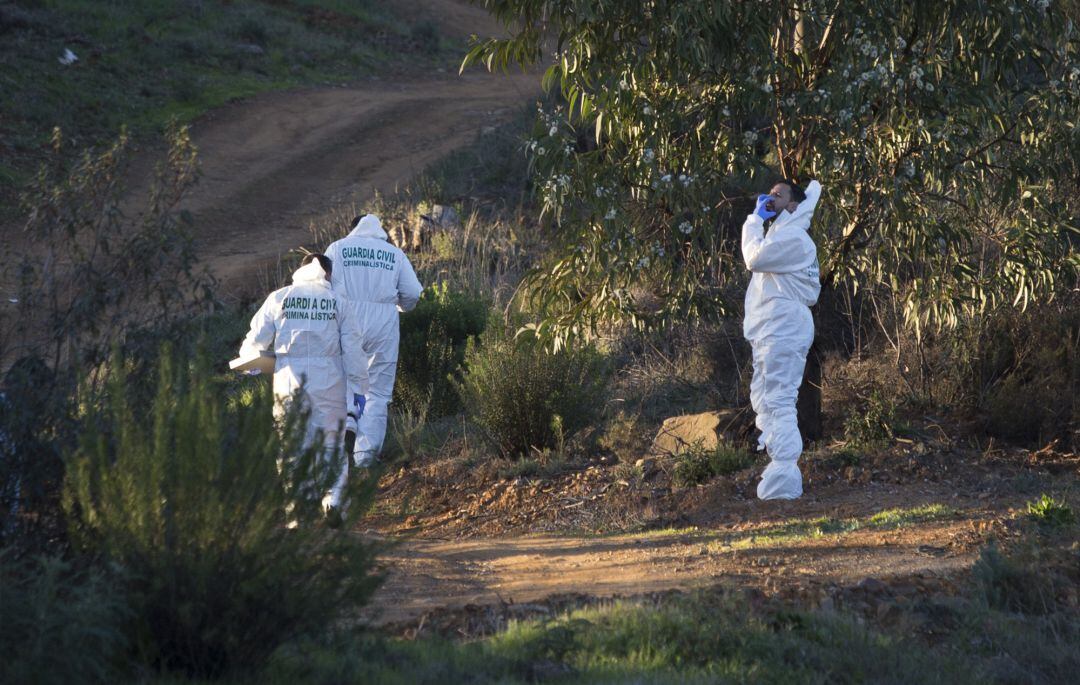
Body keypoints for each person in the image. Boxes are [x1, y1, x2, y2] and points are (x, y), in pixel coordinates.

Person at [238, 253, 367, 520]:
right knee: (332, 442)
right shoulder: (338, 301)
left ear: (301, 269)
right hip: (328, 377)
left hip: (288, 377)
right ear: (327, 274)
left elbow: (254, 341)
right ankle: (333, 501)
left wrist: (251, 364)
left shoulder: (279, 297)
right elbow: (353, 350)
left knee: (293, 443)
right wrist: (359, 388)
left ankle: (297, 509)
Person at [742, 178, 822, 500]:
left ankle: (786, 482)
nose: (769, 197)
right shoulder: (782, 234)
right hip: (774, 329)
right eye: (768, 192)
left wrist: (754, 220)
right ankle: (780, 476)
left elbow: (754, 259)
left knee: (780, 401)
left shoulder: (793, 238)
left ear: (793, 205)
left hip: (783, 329)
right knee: (769, 400)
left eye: (778, 194)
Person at [326, 214, 423, 467]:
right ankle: (364, 459)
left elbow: (323, 286)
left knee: (343, 381)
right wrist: (399, 307)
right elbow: (412, 293)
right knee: (377, 392)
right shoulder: (394, 254)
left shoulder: (338, 248)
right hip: (383, 323)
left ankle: (342, 437)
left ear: (353, 229)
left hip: (346, 320)